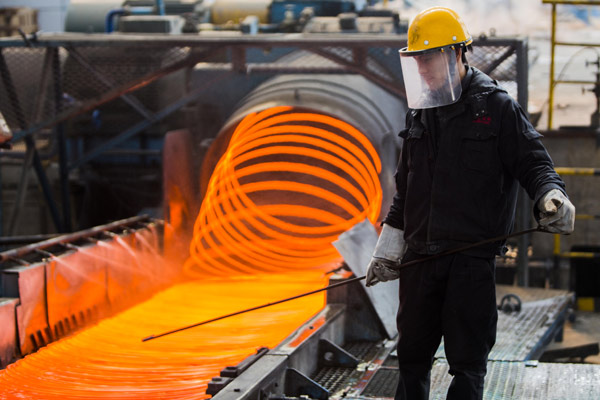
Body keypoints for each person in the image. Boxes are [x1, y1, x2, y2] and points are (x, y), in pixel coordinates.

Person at [365, 6, 575, 400]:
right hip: (419, 262)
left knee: (467, 364)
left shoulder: (495, 109)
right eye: (418, 61)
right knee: (410, 358)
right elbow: (405, 189)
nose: (423, 69)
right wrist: (388, 249)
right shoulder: (420, 112)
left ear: (458, 54)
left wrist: (551, 195)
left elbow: (534, 163)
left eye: (429, 59)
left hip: (468, 264)